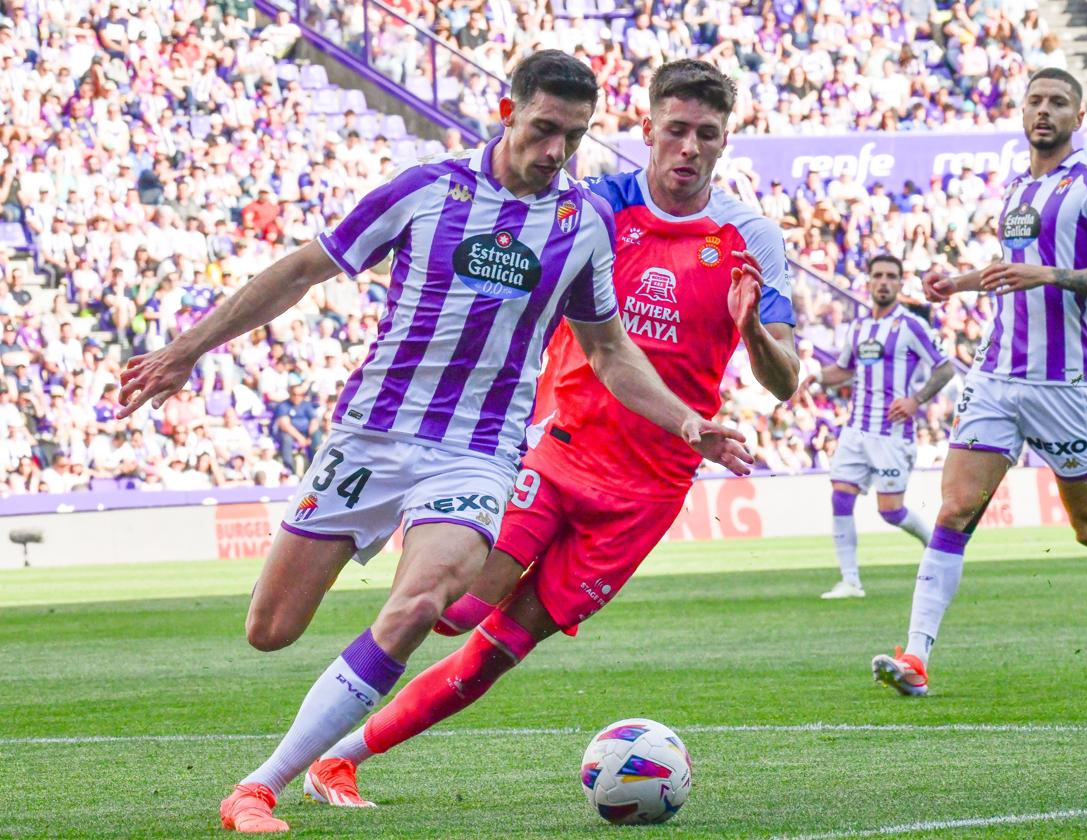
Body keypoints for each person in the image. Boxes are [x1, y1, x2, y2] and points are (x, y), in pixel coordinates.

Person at [116, 51, 750, 834]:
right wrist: (186, 351)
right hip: (372, 437)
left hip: (476, 453)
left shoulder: (580, 223)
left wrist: (688, 421)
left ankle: (259, 786)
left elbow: (612, 350)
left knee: (424, 601)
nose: (556, 152)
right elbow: (302, 270)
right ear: (508, 110)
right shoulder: (426, 192)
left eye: (574, 138)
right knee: (270, 630)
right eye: (545, 129)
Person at [296, 59, 801, 808]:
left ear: (726, 142)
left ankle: (336, 761)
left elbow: (786, 378)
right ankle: (388, 571)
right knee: (452, 611)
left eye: (707, 135)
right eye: (677, 130)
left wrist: (752, 328)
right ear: (648, 130)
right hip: (559, 451)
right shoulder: (591, 208)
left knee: (495, 653)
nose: (689, 147)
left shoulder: (747, 236)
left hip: (649, 492)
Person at [871, 68, 1087, 697]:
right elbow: (1011, 272)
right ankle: (918, 656)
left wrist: (1050, 275)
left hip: (1063, 383)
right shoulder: (1017, 188)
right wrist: (958, 283)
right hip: (994, 377)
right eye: (1035, 101)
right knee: (956, 509)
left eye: (1058, 103)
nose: (1044, 111)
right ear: (1021, 111)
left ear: (1079, 115)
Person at [800, 254, 955, 599]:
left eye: (891, 277)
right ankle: (850, 581)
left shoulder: (912, 325)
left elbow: (945, 369)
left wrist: (916, 400)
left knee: (891, 512)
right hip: (856, 430)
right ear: (868, 282)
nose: (884, 282)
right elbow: (843, 370)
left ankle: (938, 548)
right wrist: (813, 377)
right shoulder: (858, 327)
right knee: (840, 496)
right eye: (878, 276)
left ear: (900, 284)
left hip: (891, 433)